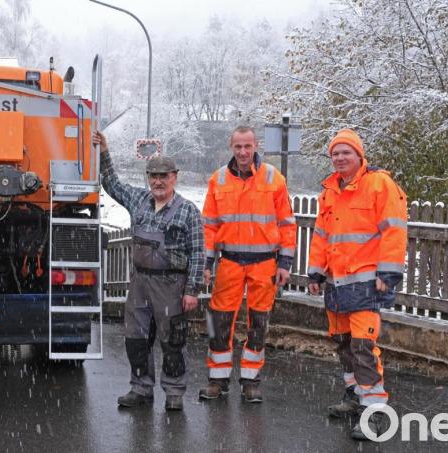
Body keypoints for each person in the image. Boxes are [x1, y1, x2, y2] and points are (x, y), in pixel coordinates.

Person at [93, 130, 205, 412]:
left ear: (174, 177)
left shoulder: (187, 211)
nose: (157, 181)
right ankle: (140, 388)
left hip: (171, 285)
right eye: (153, 176)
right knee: (136, 339)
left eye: (163, 176)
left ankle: (174, 391)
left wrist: (192, 291)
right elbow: (112, 184)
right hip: (140, 282)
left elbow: (198, 252)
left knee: (172, 341)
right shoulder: (139, 201)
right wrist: (104, 151)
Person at [307, 128, 408, 440]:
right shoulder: (329, 191)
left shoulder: (380, 184)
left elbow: (394, 230)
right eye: (335, 153)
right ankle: (354, 396)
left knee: (363, 347)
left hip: (366, 283)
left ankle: (374, 412)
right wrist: (315, 272)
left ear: (359, 155)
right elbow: (322, 235)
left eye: (345, 152)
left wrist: (388, 273)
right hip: (337, 284)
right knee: (343, 344)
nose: (339, 158)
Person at [199, 126, 297, 403]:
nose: (243, 152)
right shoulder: (217, 179)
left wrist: (285, 263)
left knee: (259, 322)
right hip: (229, 262)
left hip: (264, 263)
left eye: (247, 146)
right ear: (231, 147)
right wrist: (207, 261)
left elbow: (287, 224)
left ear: (256, 146)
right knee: (220, 322)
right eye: (238, 147)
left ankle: (251, 380)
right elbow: (209, 226)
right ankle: (218, 380)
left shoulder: (273, 178)